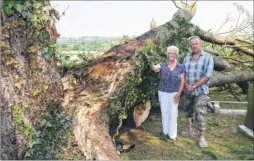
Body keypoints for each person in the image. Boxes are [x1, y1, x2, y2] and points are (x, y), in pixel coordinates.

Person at [182, 35, 214, 148]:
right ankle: (190, 129)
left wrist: (194, 86)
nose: (194, 46)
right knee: (188, 110)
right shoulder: (186, 58)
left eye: (196, 44)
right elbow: (183, 74)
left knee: (200, 112)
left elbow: (207, 76)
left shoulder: (208, 57)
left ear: (200, 44)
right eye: (192, 44)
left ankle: (202, 137)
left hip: (201, 91)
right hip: (188, 90)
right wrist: (186, 85)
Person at [152, 45, 185, 141]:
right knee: (164, 112)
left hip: (174, 93)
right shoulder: (163, 65)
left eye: (173, 53)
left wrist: (179, 93)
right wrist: (153, 67)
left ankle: (172, 135)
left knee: (173, 113)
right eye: (170, 53)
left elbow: (182, 81)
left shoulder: (180, 67)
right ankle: (165, 132)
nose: (171, 55)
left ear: (176, 55)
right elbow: (156, 67)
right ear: (167, 54)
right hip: (162, 92)